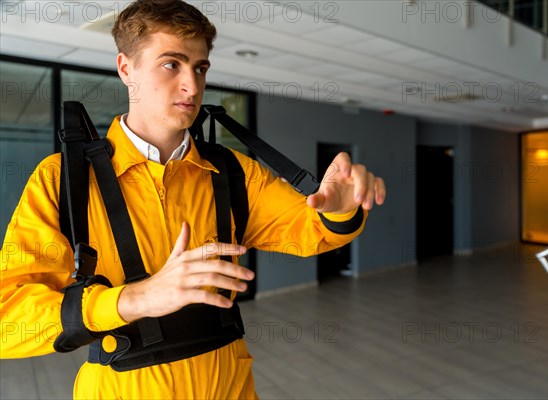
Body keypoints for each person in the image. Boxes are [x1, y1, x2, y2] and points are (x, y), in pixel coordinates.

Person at [0, 0, 386, 398]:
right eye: (172, 64)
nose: (192, 85)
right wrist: (130, 300)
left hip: (229, 384)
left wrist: (340, 210)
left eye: (200, 68)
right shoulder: (63, 179)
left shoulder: (231, 171)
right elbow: (8, 321)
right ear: (126, 68)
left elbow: (310, 229)